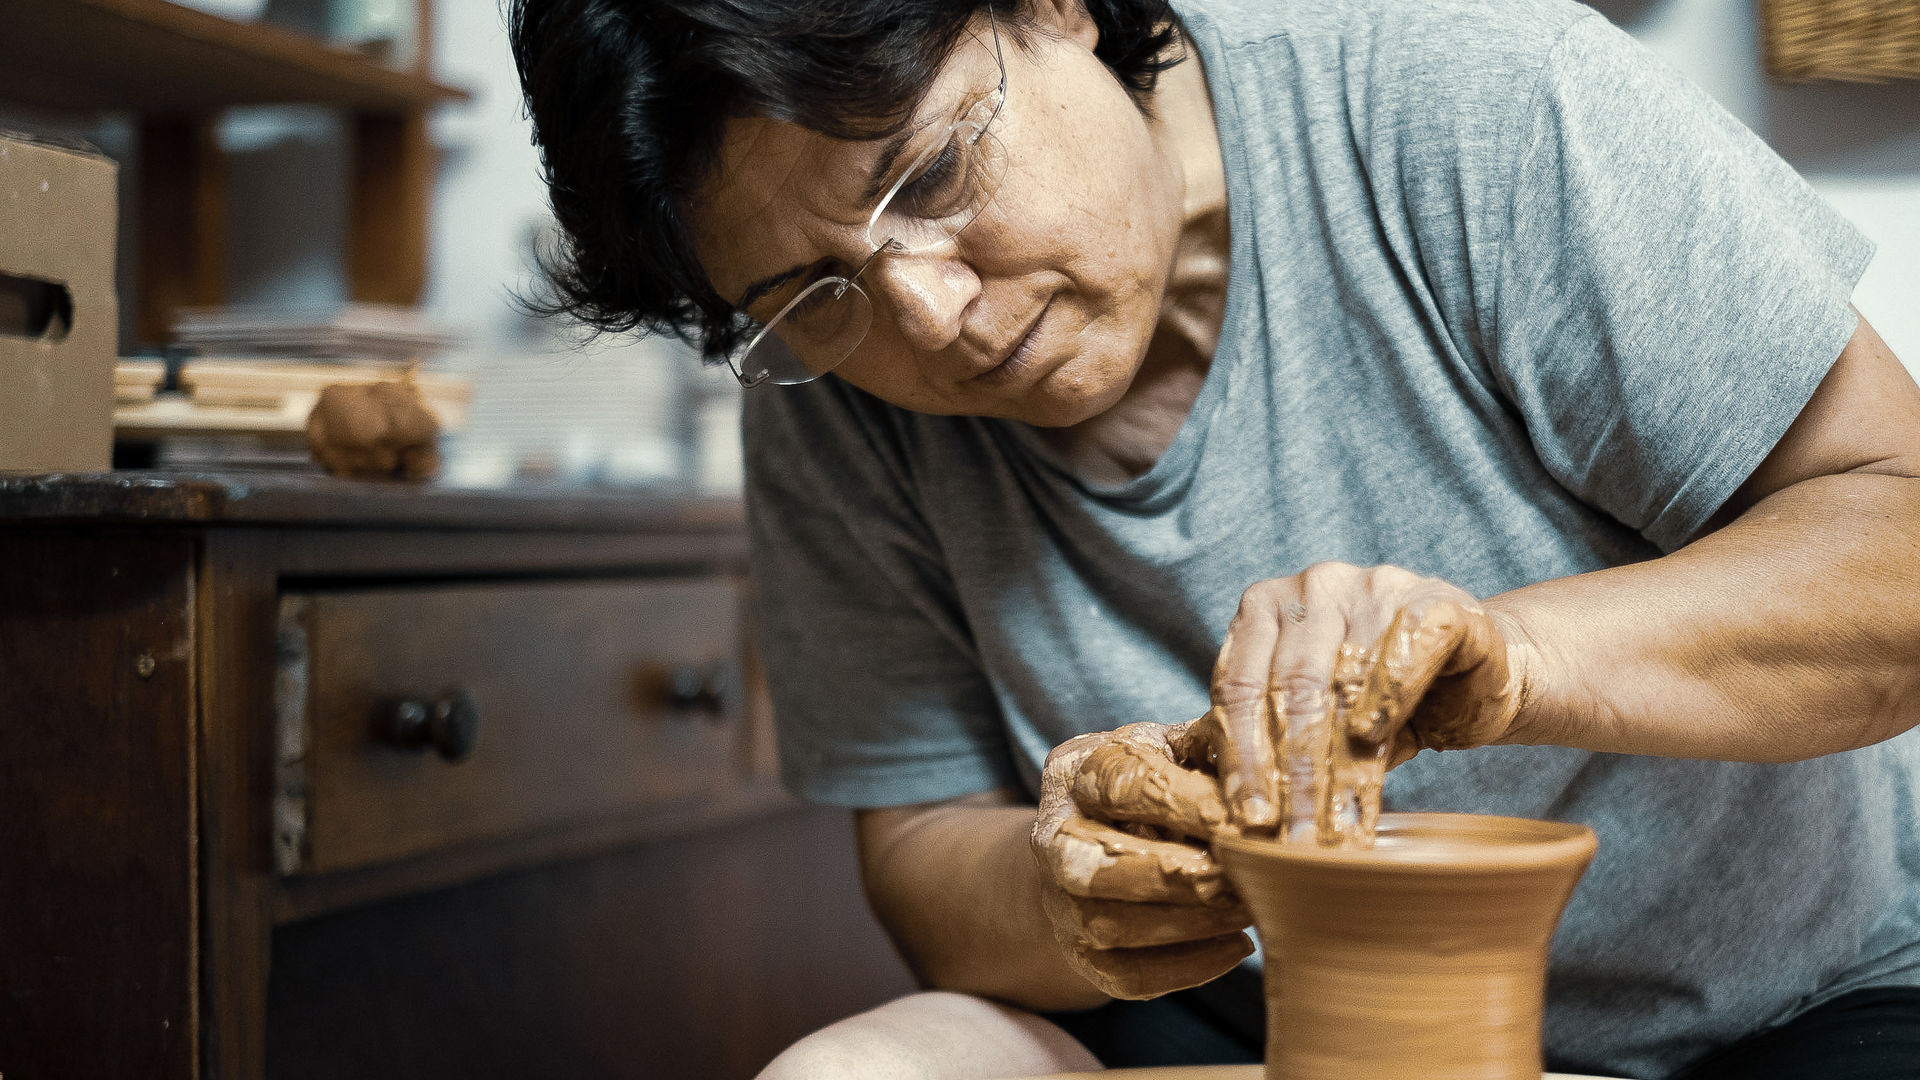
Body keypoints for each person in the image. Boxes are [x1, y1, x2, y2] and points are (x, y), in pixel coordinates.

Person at [506, 0, 1920, 1076]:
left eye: (929, 177)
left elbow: (1900, 553)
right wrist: (1070, 893)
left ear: (1056, 6)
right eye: (811, 286)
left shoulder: (1475, 108)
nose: (929, 317)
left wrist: (1515, 652)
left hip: (1790, 1008)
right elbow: (929, 857)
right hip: (1254, 1031)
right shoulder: (832, 372)